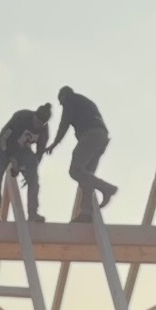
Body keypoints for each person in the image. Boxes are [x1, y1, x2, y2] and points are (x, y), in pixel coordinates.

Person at [45, 86, 118, 223]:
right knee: (86, 176)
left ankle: (106, 188)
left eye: (61, 103)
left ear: (63, 97)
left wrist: (55, 143)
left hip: (91, 135)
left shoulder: (70, 100)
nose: (61, 106)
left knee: (75, 170)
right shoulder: (84, 102)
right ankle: (86, 213)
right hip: (102, 137)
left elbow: (64, 123)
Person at [0, 103, 52, 223]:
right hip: (4, 147)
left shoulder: (44, 131)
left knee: (34, 178)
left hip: (22, 150)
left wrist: (30, 173)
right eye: (36, 122)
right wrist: (13, 160)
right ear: (34, 116)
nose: (37, 126)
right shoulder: (21, 117)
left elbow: (38, 154)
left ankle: (33, 213)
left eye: (41, 124)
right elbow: (5, 138)